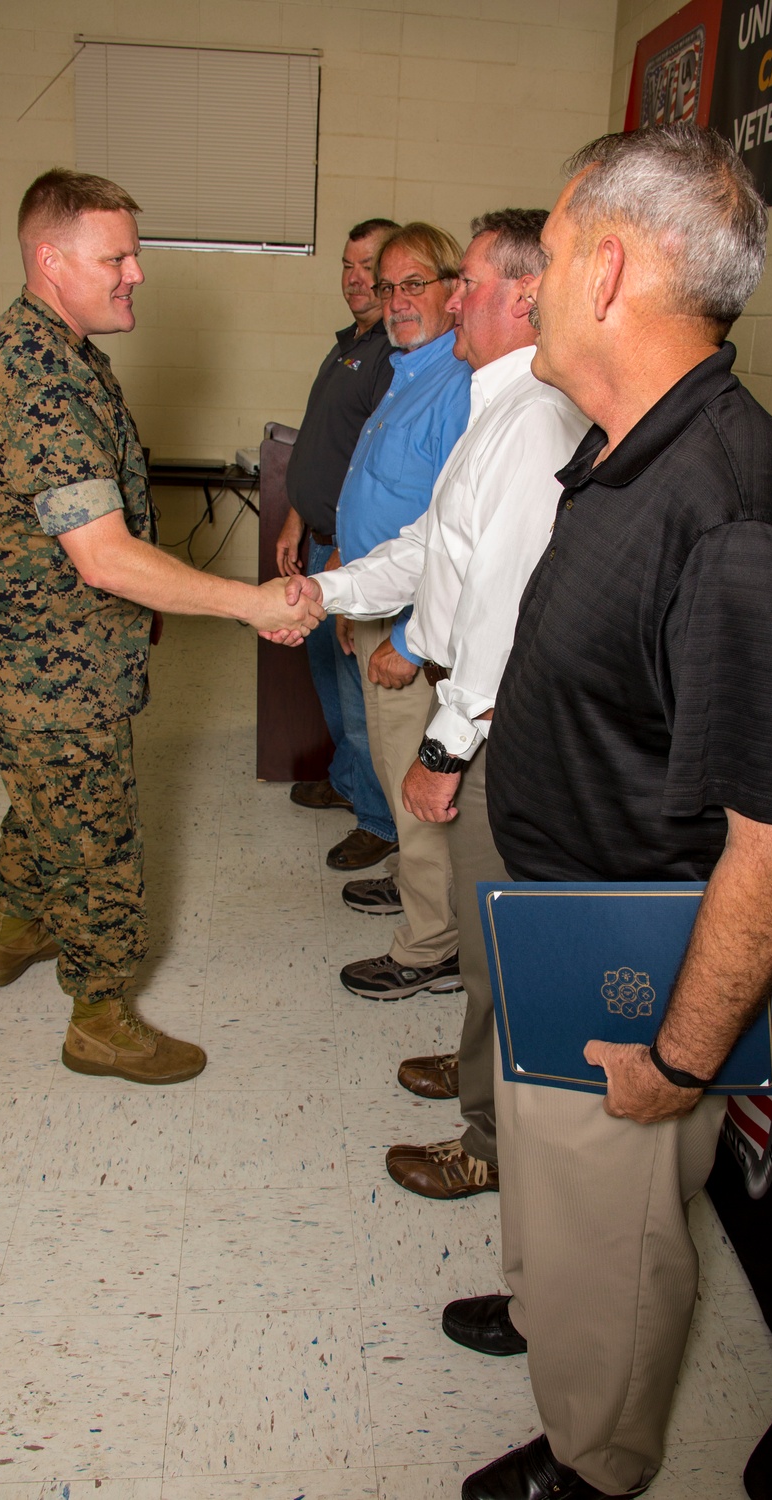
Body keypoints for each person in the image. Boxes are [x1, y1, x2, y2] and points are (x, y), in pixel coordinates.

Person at [446, 126, 772, 1500]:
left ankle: (596, 1454)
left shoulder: (736, 511)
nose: (532, 283)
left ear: (608, 267)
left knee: (612, 1229)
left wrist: (679, 1058)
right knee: (559, 1212)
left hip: (627, 960)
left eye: (547, 256)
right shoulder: (632, 447)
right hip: (553, 916)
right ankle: (552, 1309)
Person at [0, 167, 322, 1088]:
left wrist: (142, 607)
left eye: (134, 256)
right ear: (51, 258)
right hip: (43, 652)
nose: (136, 274)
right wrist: (248, 603)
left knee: (47, 791)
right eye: (117, 256)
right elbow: (103, 557)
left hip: (35, 635)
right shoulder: (39, 373)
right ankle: (101, 1016)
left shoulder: (59, 349)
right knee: (98, 824)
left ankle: (17, 923)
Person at [282, 210, 589, 1195]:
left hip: (493, 719)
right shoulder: (497, 403)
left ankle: (491, 1145)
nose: (449, 298)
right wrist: (325, 591)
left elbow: (496, 606)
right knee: (477, 918)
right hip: (466, 696)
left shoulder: (534, 420)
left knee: (499, 938)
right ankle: (473, 1083)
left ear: (525, 297)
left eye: (468, 283)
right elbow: (432, 548)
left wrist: (445, 748)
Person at [301, 222, 473, 1002]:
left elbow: (457, 542)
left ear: (453, 291)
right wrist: (347, 582)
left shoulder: (461, 386)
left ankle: (430, 945)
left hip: (416, 627)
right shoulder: (408, 371)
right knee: (388, 769)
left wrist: (404, 637)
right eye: (390, 286)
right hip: (375, 603)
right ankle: (416, 892)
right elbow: (379, 498)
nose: (397, 300)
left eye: (415, 285)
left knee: (419, 783)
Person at [275, 218, 402, 873]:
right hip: (321, 541)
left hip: (350, 554)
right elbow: (323, 445)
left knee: (361, 701)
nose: (356, 278)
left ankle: (379, 822)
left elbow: (372, 466)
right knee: (328, 677)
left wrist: (344, 550)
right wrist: (297, 520)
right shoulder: (346, 346)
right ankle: (350, 781)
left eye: (369, 266)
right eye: (347, 266)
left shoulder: (392, 354)